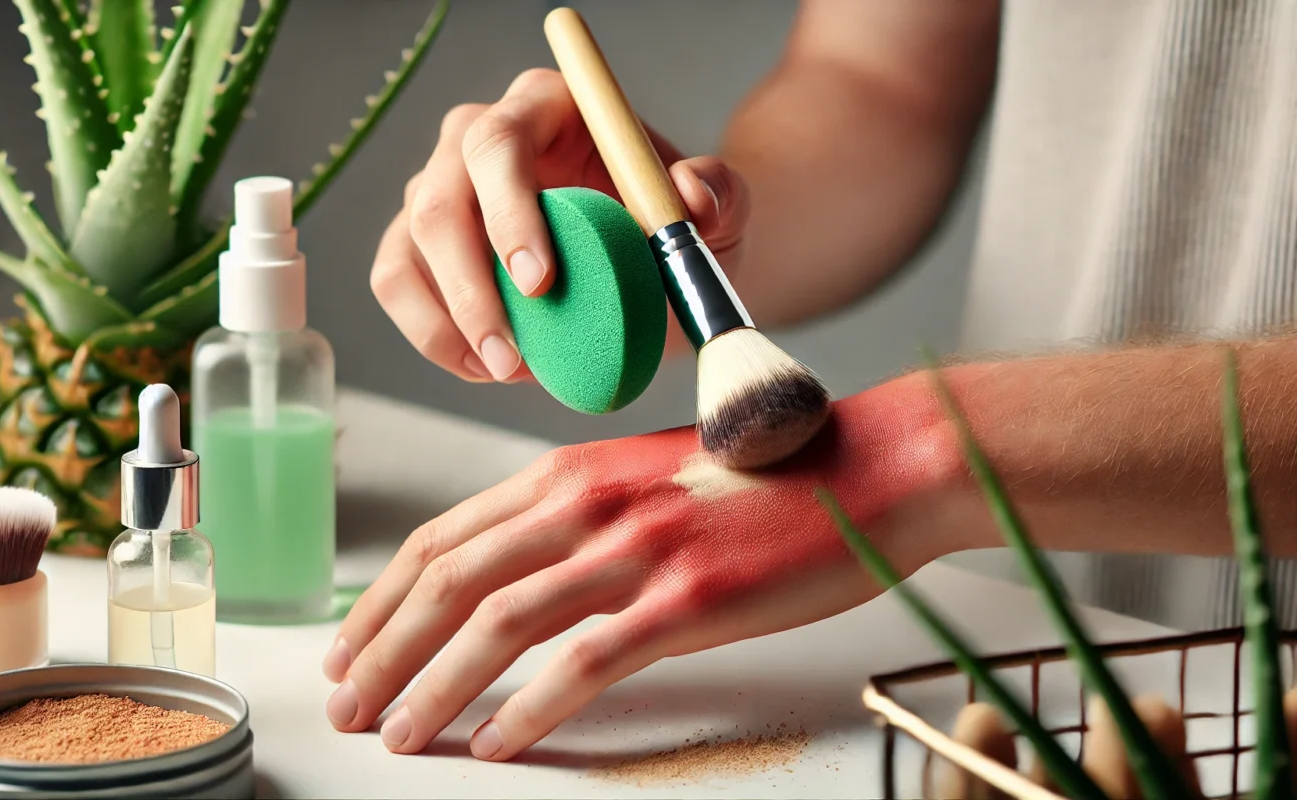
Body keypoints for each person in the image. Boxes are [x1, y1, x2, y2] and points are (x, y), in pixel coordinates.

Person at [323, 0, 1297, 762]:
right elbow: (878, 81)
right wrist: (670, 240)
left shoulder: (930, 468)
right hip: (1040, 636)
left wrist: (929, 454)